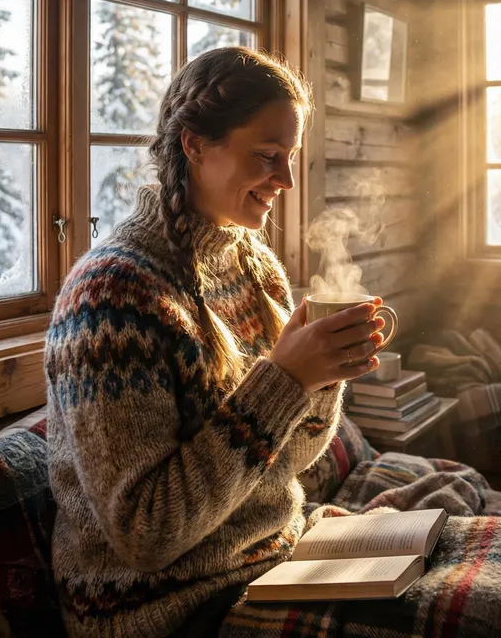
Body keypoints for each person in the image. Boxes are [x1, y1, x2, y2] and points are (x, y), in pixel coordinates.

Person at [45, 47, 385, 636]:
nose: (285, 180)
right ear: (195, 145)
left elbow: (287, 466)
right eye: (266, 156)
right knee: (492, 617)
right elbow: (145, 535)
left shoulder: (254, 267)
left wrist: (324, 378)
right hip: (164, 607)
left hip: (269, 559)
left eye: (291, 157)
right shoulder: (111, 297)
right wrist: (284, 383)